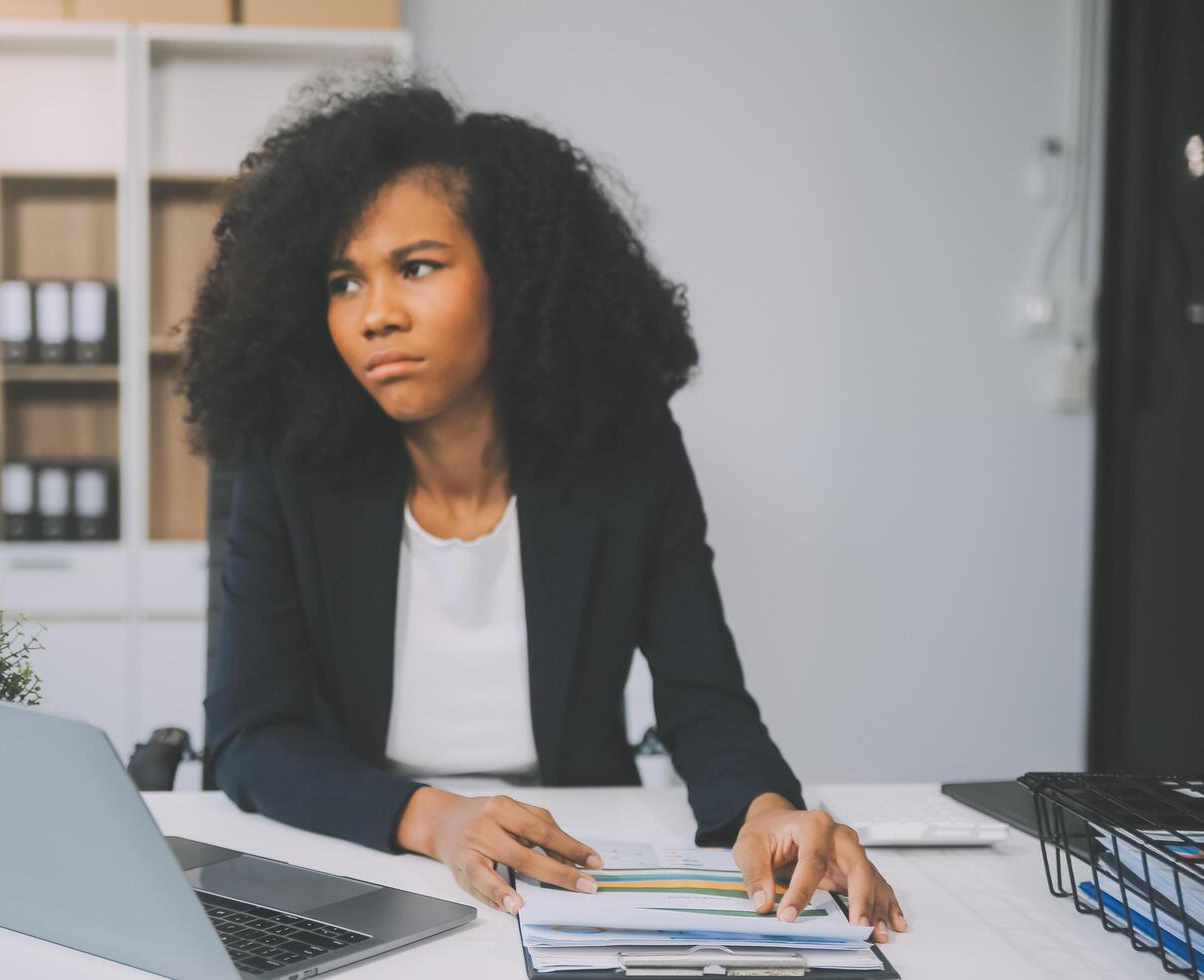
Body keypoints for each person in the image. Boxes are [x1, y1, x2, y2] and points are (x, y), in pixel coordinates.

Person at [182, 65, 906, 942]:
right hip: (370, 860)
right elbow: (250, 737)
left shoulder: (628, 460)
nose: (374, 314)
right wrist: (432, 817)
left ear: (514, 278)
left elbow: (703, 699)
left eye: (415, 267)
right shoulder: (289, 469)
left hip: (576, 867)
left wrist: (766, 810)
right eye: (343, 282)